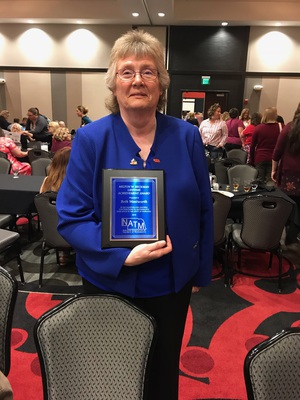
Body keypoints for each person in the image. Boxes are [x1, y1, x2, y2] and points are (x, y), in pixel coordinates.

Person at [56, 29, 213, 400]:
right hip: (109, 279)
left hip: (171, 281)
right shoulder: (92, 139)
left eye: (148, 71)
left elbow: (204, 207)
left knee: (162, 372)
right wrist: (120, 255)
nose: (138, 80)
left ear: (161, 85)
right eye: (127, 72)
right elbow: (72, 217)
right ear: (114, 85)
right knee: (111, 372)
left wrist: (200, 270)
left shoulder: (187, 136)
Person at [40, 147, 72, 264]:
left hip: (51, 232)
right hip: (72, 233)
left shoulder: (46, 181)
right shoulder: (75, 185)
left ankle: (63, 254)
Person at [272, 108, 300, 240]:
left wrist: (273, 170)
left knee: (286, 205)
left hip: (288, 173)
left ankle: (286, 234)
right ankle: (295, 233)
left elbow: (277, 152)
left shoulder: (288, 128)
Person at [249, 107, 281, 184]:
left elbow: (252, 146)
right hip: (273, 159)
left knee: (259, 182)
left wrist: (251, 160)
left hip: (260, 157)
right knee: (270, 182)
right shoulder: (280, 127)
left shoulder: (258, 128)